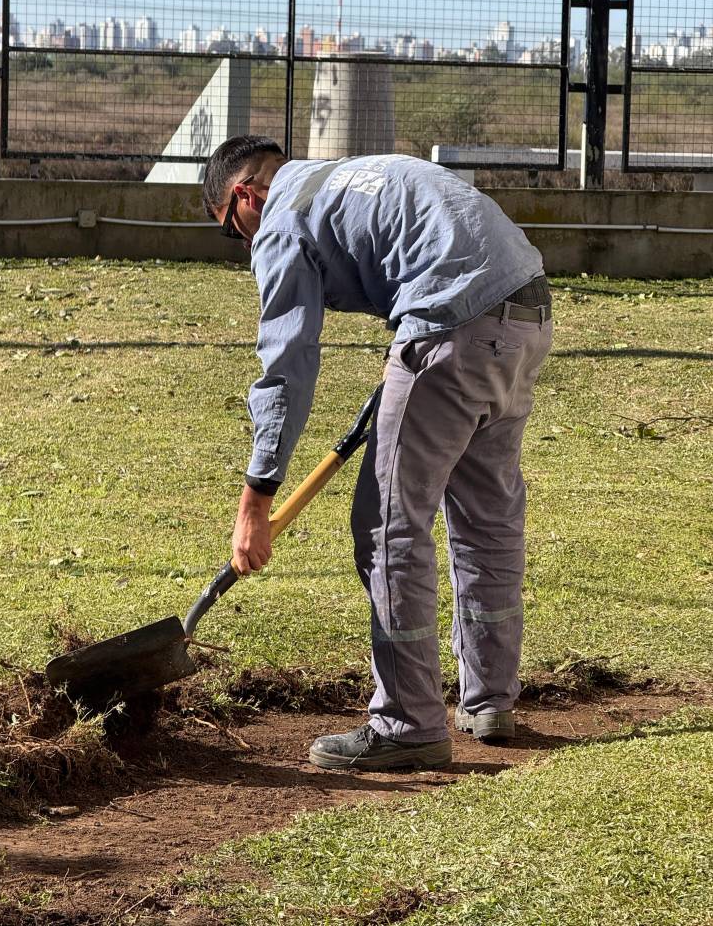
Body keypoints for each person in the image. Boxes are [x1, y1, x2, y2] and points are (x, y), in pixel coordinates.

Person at [203, 135, 552, 772]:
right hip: (523, 312)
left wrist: (257, 493)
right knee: (486, 519)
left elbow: (287, 364)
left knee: (387, 525)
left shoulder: (282, 218)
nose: (247, 247)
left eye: (236, 233)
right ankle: (490, 702)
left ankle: (408, 723)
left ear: (244, 196)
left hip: (450, 322)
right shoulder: (343, 178)